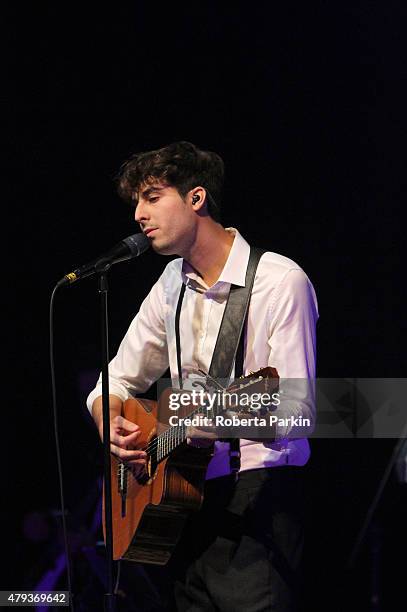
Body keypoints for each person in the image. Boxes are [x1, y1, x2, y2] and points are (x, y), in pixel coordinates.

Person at [87, 141, 318, 611]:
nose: (137, 214)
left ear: (196, 199)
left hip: (258, 503)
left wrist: (221, 422)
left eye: (152, 197)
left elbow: (299, 412)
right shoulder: (170, 284)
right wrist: (107, 418)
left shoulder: (279, 282)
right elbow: (114, 381)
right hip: (186, 505)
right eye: (136, 202)